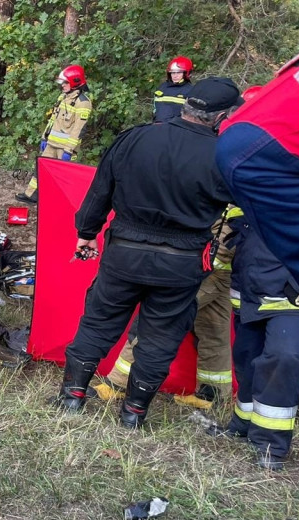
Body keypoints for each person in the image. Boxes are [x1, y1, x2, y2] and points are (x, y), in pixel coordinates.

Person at [55, 77, 243, 428]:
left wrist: (86, 233)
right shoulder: (224, 156)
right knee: (161, 336)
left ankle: (72, 396)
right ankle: (133, 414)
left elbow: (100, 190)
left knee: (98, 323)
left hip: (124, 252)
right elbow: (244, 205)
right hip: (182, 263)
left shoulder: (135, 137)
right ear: (222, 117)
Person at [212, 48, 299, 470]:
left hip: (290, 282)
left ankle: (271, 444)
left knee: (283, 356)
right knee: (247, 351)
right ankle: (243, 423)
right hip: (251, 269)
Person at [97, 205, 241, 409]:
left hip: (209, 262)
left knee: (158, 317)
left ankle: (118, 384)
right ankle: (213, 394)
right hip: (223, 262)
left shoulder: (237, 178)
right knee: (212, 328)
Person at [17, 65, 93, 204]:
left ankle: (60, 203)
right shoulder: (63, 97)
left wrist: (69, 151)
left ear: (75, 83)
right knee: (40, 170)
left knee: (63, 178)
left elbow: (78, 130)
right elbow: (53, 119)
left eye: (65, 83)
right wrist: (45, 136)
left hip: (65, 149)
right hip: (51, 143)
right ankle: (32, 195)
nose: (62, 85)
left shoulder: (83, 103)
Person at [153, 56, 195, 123]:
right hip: (159, 127)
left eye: (178, 72)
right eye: (172, 72)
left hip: (178, 129)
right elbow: (156, 110)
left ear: (186, 74)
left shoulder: (191, 90)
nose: (175, 76)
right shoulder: (162, 88)